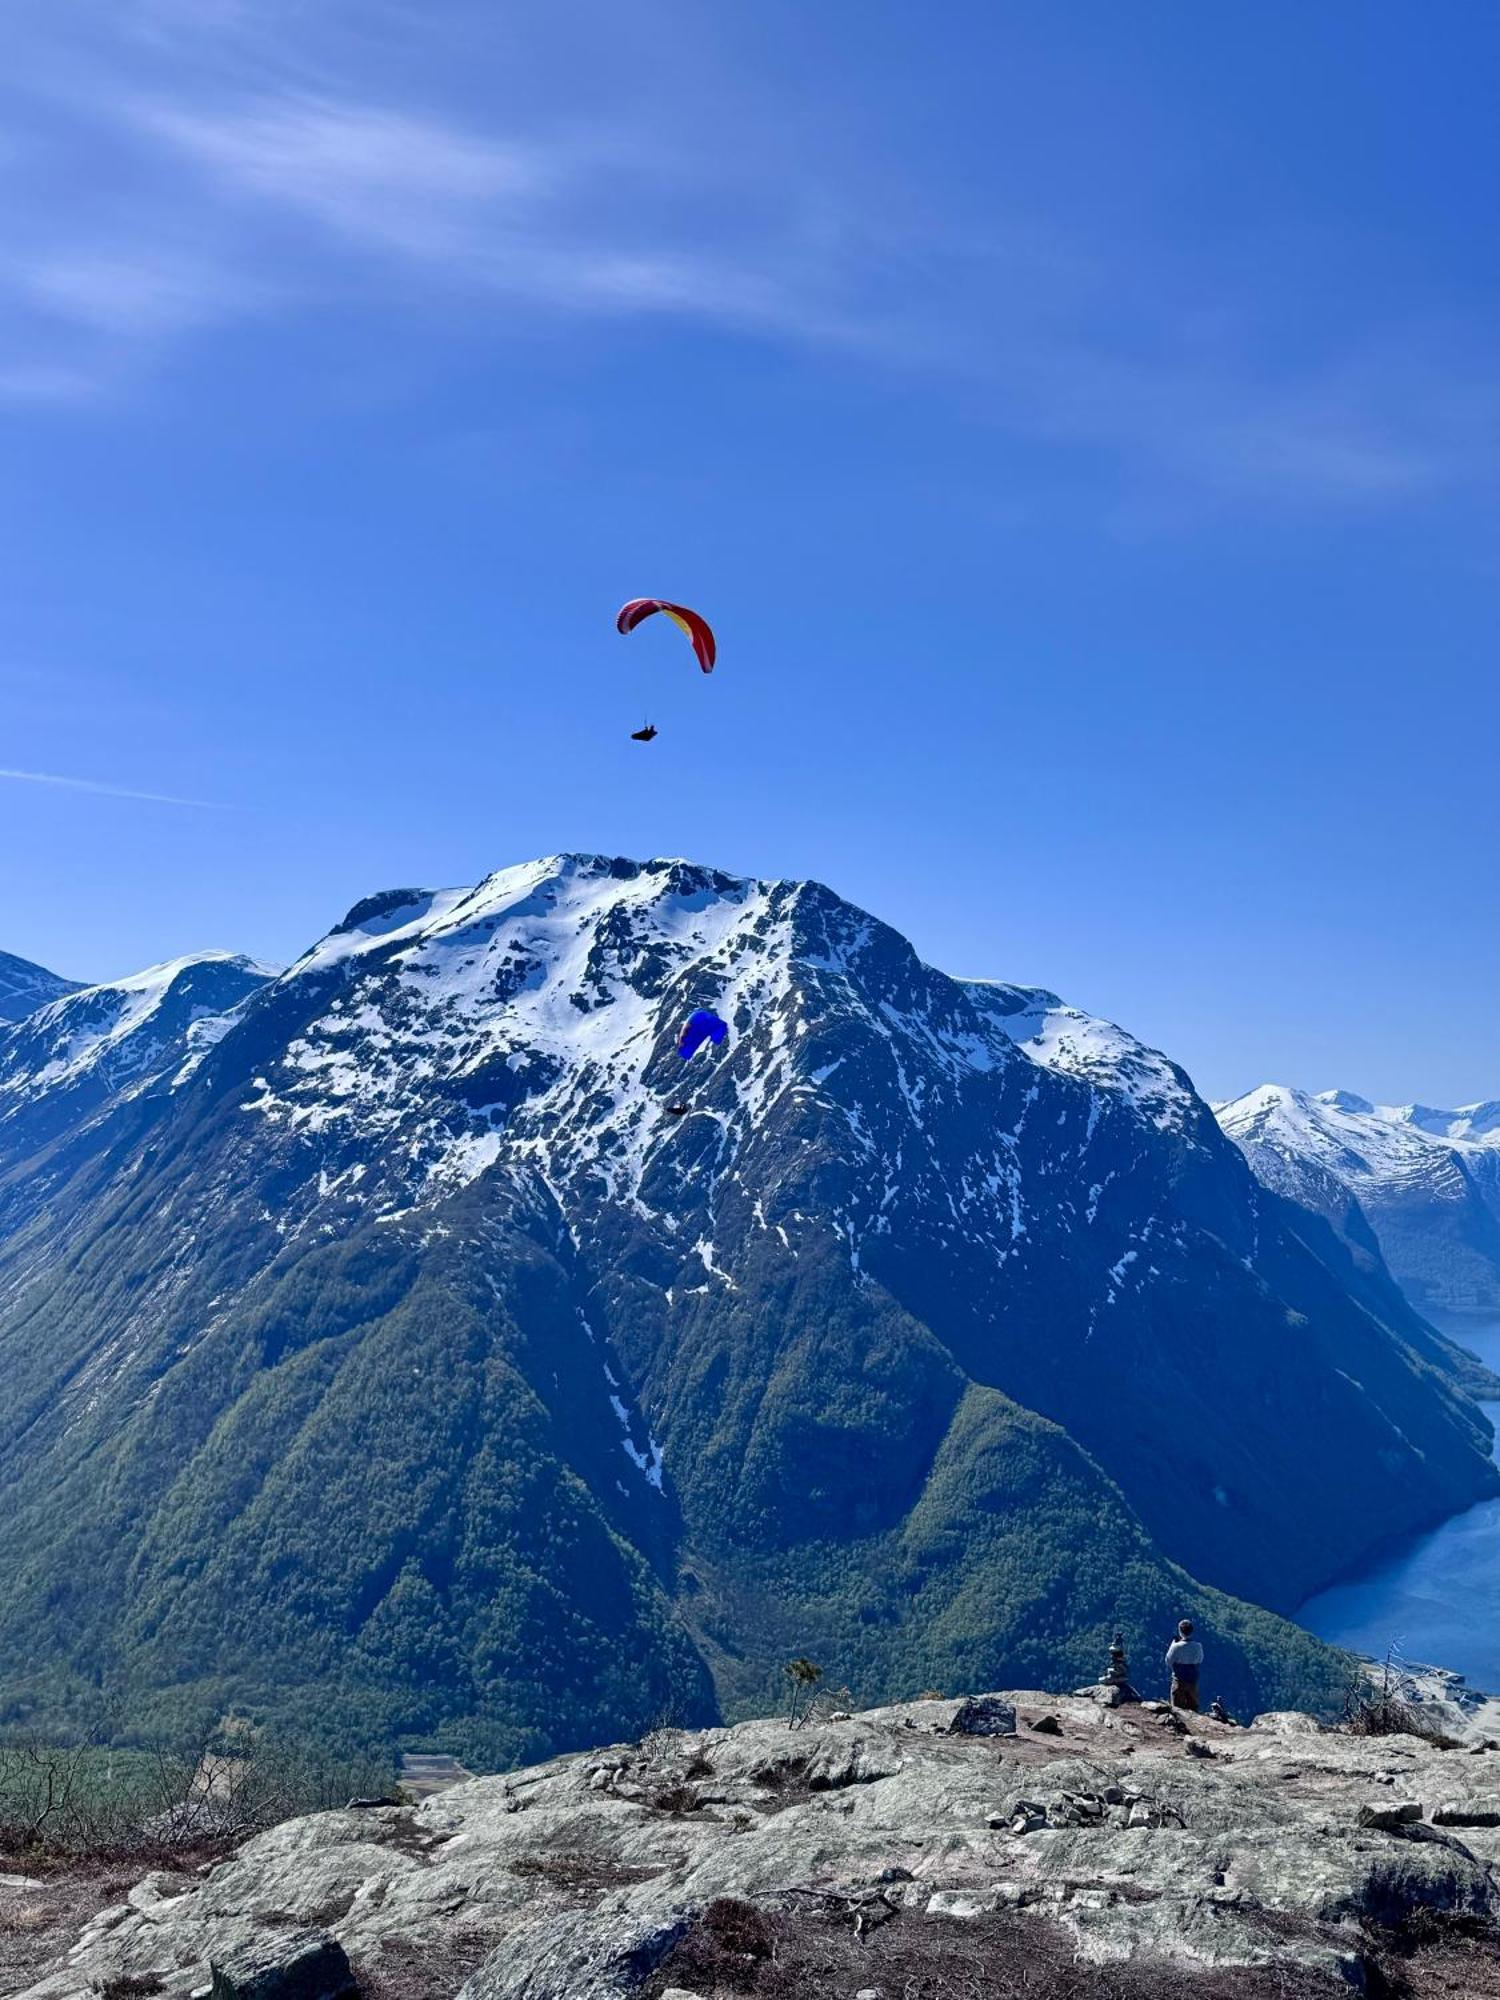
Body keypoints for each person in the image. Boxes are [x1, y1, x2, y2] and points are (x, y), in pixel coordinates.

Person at [1165, 1619, 1203, 1712]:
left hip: (1179, 1680)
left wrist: (1172, 1646)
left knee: (1178, 1710)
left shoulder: (1176, 1647)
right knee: (1194, 1708)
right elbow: (1200, 1660)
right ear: (1192, 1631)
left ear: (1180, 1631)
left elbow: (1168, 1661)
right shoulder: (1198, 1646)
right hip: (1192, 1680)